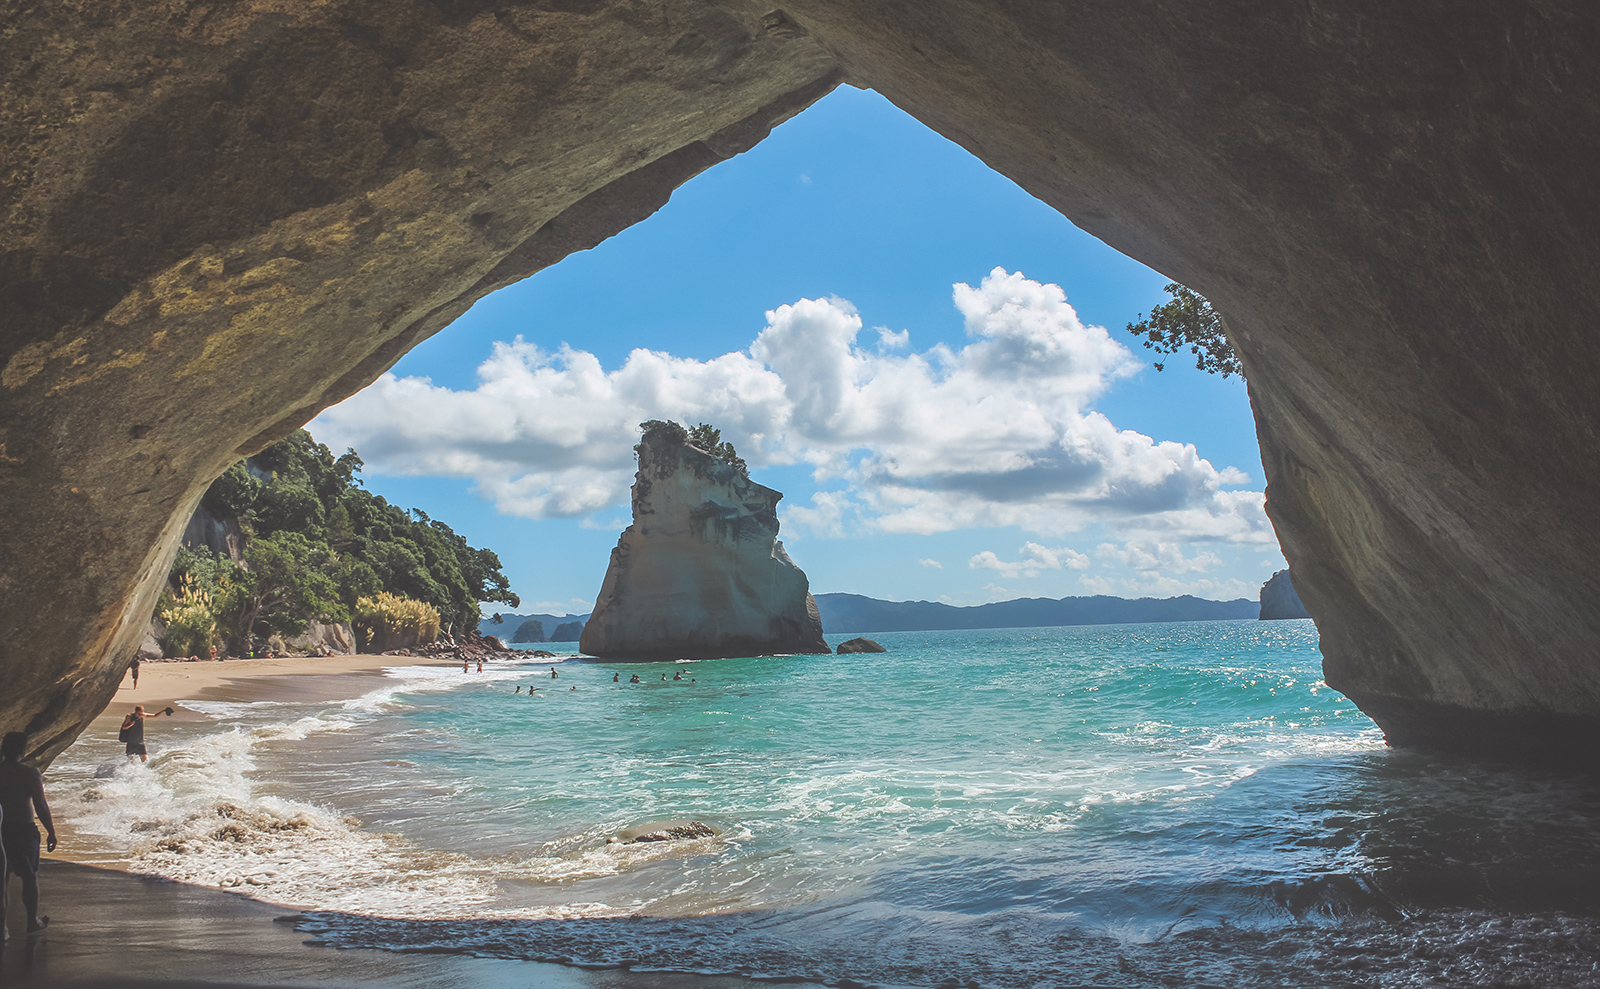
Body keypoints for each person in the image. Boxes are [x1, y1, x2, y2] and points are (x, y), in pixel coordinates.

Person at [0, 731, 56, 937]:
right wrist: (51, 831)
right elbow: (40, 805)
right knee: (29, 877)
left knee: (2, 880)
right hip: (23, 830)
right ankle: (32, 921)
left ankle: (2, 927)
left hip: (1, 830)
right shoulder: (30, 773)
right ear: (22, 749)